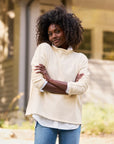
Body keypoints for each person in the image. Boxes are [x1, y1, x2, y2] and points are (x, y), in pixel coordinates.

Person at [26, 6, 89, 144]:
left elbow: (82, 87)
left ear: (68, 31)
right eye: (50, 33)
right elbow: (38, 82)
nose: (53, 36)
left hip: (71, 120)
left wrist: (50, 80)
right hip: (45, 118)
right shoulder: (44, 49)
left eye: (57, 31)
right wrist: (69, 89)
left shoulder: (80, 59)